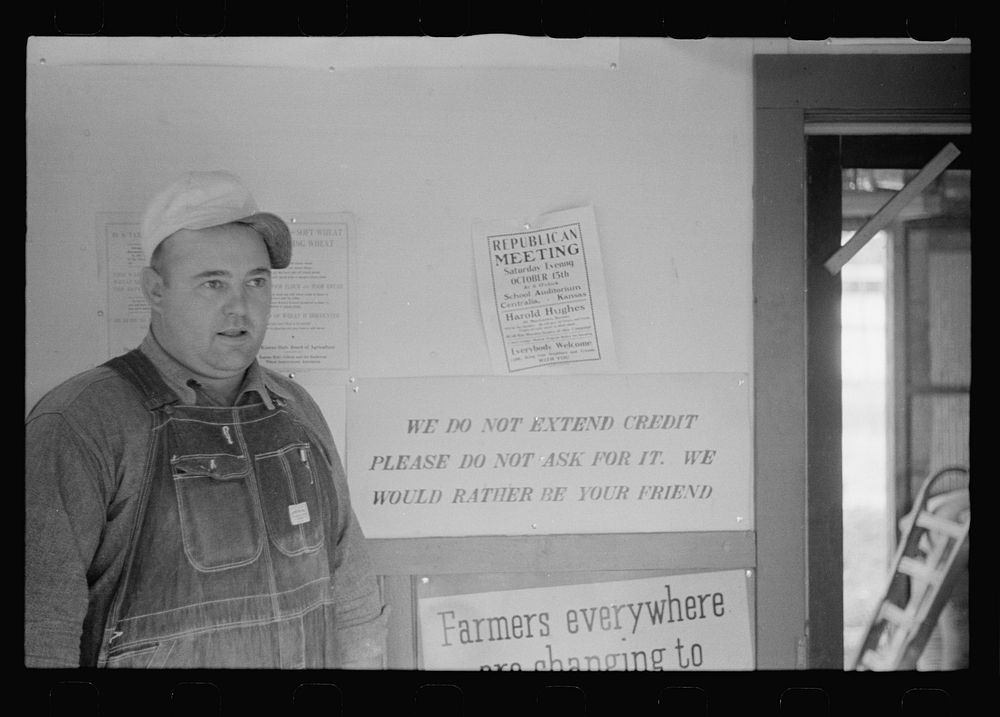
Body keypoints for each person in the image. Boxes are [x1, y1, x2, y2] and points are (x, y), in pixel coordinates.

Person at [25, 170, 387, 668]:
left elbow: (354, 599)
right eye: (212, 282)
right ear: (155, 290)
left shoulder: (296, 410)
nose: (240, 305)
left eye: (255, 281)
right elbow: (40, 630)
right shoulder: (81, 422)